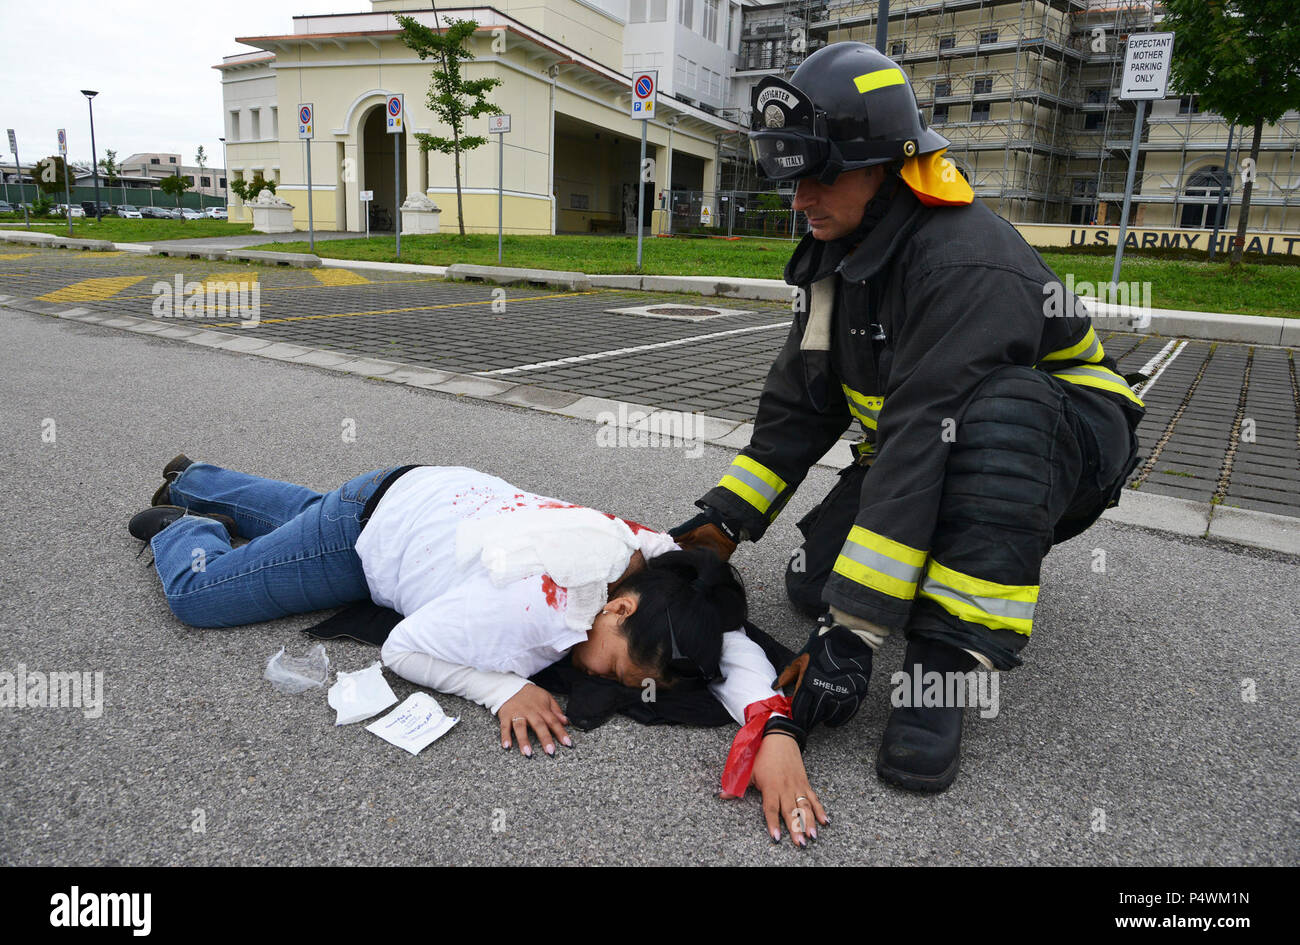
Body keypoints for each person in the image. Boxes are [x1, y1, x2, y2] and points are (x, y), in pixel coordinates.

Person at [671, 42, 1144, 792]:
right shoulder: (839, 252)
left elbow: (928, 435)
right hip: (926, 442)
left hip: (1057, 448)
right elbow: (798, 409)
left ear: (886, 166)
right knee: (814, 584)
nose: (800, 199)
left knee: (997, 422)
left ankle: (944, 671)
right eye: (794, 176)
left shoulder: (962, 263)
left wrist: (852, 635)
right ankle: (919, 576)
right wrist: (720, 525)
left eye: (821, 175)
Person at [130, 456, 827, 845]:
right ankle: (186, 524)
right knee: (203, 597)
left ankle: (196, 474)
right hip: (369, 533)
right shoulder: (530, 606)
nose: (608, 679)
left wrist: (774, 728)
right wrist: (502, 689)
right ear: (618, 606)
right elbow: (404, 649)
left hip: (438, 495)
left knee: (307, 515)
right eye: (616, 664)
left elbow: (726, 639)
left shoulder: (661, 562)